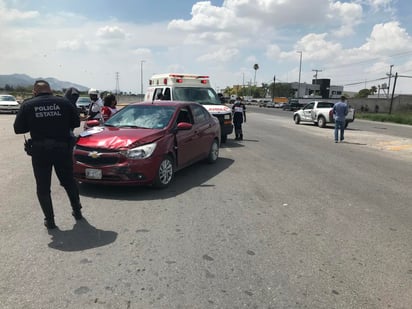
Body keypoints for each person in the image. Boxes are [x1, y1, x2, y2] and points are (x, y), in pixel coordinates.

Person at [13, 80, 83, 229]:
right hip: (62, 149)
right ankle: (77, 211)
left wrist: (35, 122)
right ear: (50, 90)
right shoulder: (63, 103)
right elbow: (76, 123)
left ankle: (50, 220)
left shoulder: (28, 104)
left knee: (43, 187)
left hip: (40, 152)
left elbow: (18, 128)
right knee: (69, 182)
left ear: (34, 91)